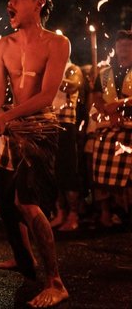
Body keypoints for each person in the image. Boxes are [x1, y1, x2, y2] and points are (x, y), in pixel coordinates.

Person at [0, 0, 69, 307]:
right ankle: (25, 261)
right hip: (12, 129)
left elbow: (47, 95)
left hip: (38, 130)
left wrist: (5, 117)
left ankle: (55, 281)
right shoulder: (2, 45)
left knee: (27, 202)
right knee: (8, 204)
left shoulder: (57, 43)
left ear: (39, 2)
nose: (10, 3)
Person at [90, 29, 132, 227]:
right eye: (120, 45)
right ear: (115, 48)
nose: (123, 48)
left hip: (130, 129)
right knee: (102, 174)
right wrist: (110, 112)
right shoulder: (105, 72)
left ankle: (126, 213)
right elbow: (96, 96)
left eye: (128, 45)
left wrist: (122, 104)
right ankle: (106, 214)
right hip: (108, 126)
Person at [50, 62, 83, 230]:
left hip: (66, 124)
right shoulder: (49, 66)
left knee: (68, 170)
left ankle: (73, 215)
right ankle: (60, 212)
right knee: (53, 171)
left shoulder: (72, 69)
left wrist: (50, 78)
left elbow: (73, 85)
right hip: (49, 123)